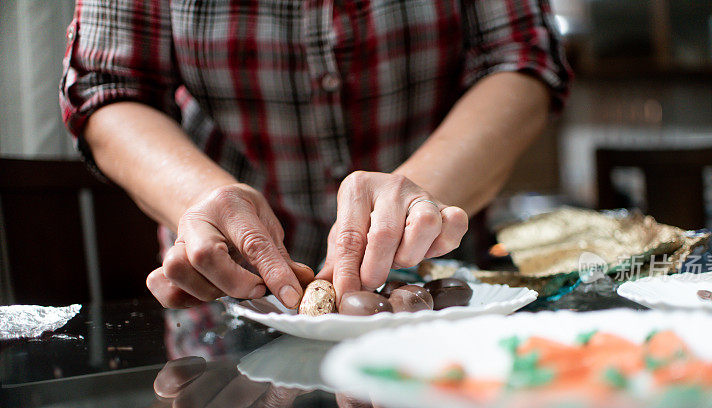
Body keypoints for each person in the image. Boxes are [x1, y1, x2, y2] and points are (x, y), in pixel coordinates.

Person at [60, 0, 571, 308]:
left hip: (443, 292)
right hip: (229, 306)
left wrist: (415, 196)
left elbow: (522, 55)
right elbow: (108, 86)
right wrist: (204, 197)